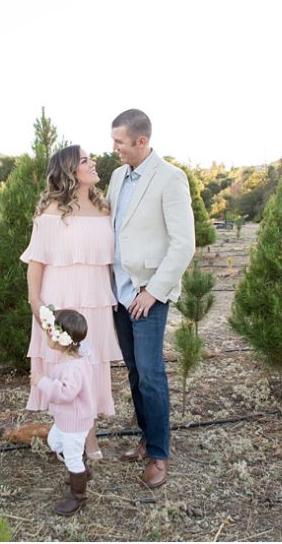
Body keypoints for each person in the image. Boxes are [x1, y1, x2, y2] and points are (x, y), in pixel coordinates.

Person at [107, 108, 195, 489]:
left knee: (152, 375)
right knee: (133, 371)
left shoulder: (171, 179)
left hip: (149, 295)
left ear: (141, 141)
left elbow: (183, 244)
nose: (114, 149)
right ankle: (145, 437)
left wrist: (153, 292)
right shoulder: (116, 176)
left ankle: (159, 454)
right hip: (119, 292)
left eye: (120, 142)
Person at [21, 144, 120, 458]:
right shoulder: (50, 214)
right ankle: (71, 436)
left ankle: (86, 436)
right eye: (85, 160)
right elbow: (36, 263)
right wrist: (37, 306)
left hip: (97, 301)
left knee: (91, 367)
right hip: (60, 300)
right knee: (65, 367)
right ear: (69, 172)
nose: (92, 163)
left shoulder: (105, 210)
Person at [30, 307, 95, 516]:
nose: (47, 334)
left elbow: (66, 394)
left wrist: (43, 382)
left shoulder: (73, 367)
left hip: (74, 421)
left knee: (72, 456)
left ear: (61, 338)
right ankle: (82, 469)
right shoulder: (72, 359)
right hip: (66, 419)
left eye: (50, 331)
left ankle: (78, 496)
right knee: (54, 442)